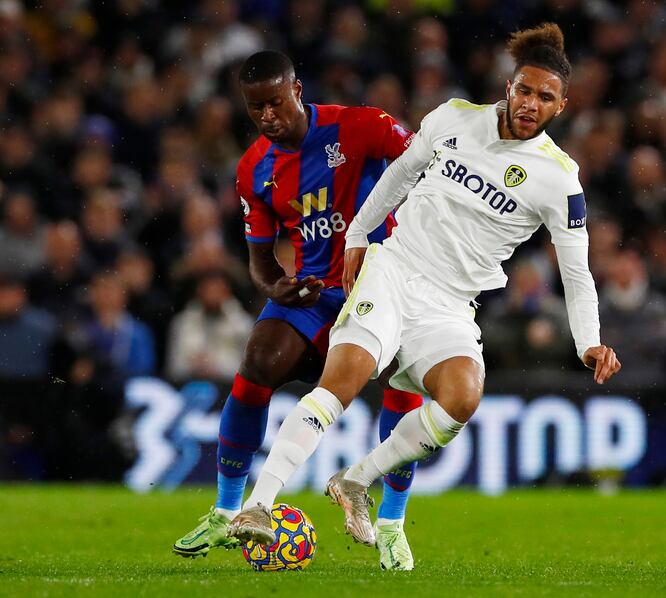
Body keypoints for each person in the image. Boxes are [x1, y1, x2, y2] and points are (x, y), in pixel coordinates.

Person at [225, 24, 621, 554]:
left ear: (561, 106)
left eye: (544, 97)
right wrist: (362, 235)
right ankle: (259, 504)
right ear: (508, 87)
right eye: (524, 90)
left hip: (452, 303)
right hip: (394, 271)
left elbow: (577, 271)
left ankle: (356, 480)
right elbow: (399, 176)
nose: (530, 103)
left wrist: (587, 342)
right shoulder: (453, 118)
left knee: (462, 398)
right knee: (342, 382)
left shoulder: (558, 180)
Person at [172, 50, 424, 570]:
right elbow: (260, 263)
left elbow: (429, 164)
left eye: (275, 102)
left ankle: (393, 523)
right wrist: (278, 288)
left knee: (403, 388)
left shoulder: (363, 127)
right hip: (318, 295)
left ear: (297, 90)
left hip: (389, 286)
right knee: (258, 361)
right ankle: (226, 511)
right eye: (256, 107)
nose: (267, 116)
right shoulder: (253, 170)